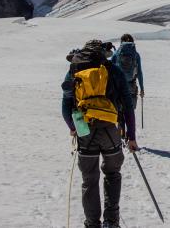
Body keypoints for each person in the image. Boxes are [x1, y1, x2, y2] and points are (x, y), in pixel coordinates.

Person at [61, 40, 139, 228]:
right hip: (111, 129)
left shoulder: (74, 69)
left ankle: (92, 224)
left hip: (84, 128)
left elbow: (65, 104)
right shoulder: (112, 69)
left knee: (89, 179)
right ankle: (111, 223)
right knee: (112, 174)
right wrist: (131, 136)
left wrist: (73, 126)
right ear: (103, 52)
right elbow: (128, 105)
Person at [111, 34, 144, 110]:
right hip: (131, 86)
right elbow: (139, 73)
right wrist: (142, 89)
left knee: (119, 113)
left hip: (118, 86)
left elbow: (110, 70)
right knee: (130, 112)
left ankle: (121, 121)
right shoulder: (136, 55)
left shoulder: (116, 54)